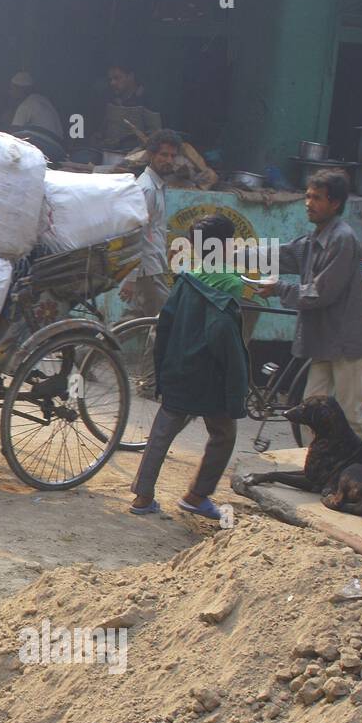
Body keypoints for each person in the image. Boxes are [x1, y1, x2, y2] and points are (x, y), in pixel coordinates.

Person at [130, 214, 249, 520]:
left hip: (179, 369)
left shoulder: (186, 278)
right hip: (210, 376)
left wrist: (162, 369)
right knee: (223, 433)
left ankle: (142, 498)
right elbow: (227, 339)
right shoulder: (231, 283)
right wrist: (236, 385)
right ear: (226, 245)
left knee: (161, 434)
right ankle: (197, 496)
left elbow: (164, 326)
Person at [255, 170, 362, 439]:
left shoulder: (342, 239)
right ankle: (318, 472)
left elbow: (320, 293)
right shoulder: (314, 239)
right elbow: (276, 255)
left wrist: (279, 288)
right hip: (323, 342)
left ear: (334, 203)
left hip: (346, 344)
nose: (309, 203)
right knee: (312, 413)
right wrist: (222, 254)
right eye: (307, 196)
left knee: (351, 416)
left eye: (317, 198)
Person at [119, 127, 181, 319]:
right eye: (164, 155)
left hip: (151, 266)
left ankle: (92, 349)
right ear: (151, 155)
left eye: (173, 156)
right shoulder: (147, 189)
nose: (169, 160)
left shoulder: (157, 186)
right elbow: (134, 233)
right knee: (163, 322)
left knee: (133, 320)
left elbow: (153, 228)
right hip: (148, 269)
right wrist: (130, 278)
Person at [98, 62, 162, 150]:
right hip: (107, 152)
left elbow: (155, 133)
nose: (112, 83)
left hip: (134, 157)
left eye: (117, 78)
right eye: (110, 79)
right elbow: (102, 130)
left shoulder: (146, 100)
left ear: (131, 76)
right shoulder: (110, 99)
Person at [8, 71, 63, 137]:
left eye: (12, 88)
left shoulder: (26, 104)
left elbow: (14, 133)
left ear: (21, 89)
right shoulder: (43, 100)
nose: (10, 92)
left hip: (43, 143)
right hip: (58, 145)